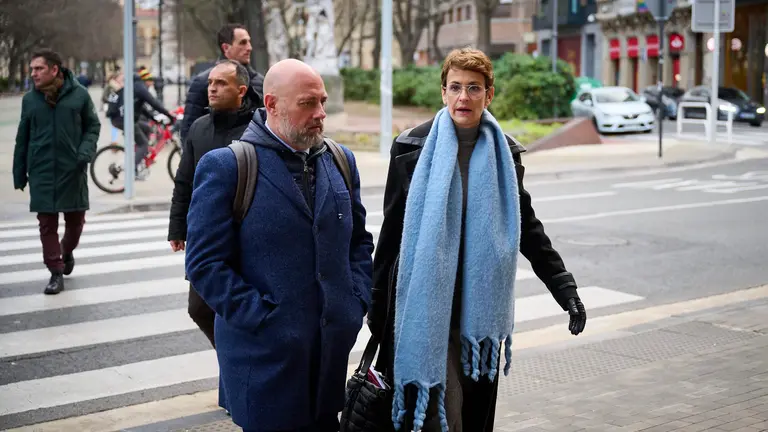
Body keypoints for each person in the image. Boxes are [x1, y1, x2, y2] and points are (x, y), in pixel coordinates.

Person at [368, 48, 589, 432]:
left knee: (468, 417)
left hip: (477, 314)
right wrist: (375, 304)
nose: (463, 98)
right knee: (435, 415)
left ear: (489, 95)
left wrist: (564, 289)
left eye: (473, 88)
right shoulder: (410, 149)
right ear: (443, 92)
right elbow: (391, 235)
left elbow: (528, 230)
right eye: (455, 87)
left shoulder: (506, 154)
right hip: (423, 310)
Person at [184, 58, 374, 432]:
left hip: (329, 360)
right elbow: (204, 264)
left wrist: (355, 301)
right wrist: (263, 319)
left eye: (322, 101)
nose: (320, 113)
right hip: (264, 363)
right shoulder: (227, 166)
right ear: (272, 104)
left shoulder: (340, 160)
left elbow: (358, 241)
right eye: (308, 103)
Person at [167, 59, 258, 348]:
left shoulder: (258, 128)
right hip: (205, 234)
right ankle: (235, 359)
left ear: (241, 90)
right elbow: (185, 181)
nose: (213, 89)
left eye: (221, 83)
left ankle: (244, 363)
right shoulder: (199, 127)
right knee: (199, 308)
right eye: (210, 83)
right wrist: (177, 227)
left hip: (245, 232)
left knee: (239, 306)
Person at [12, 49, 101, 294]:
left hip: (72, 169)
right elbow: (23, 137)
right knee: (46, 225)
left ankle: (66, 251)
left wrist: (84, 153)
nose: (33, 74)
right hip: (40, 170)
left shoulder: (80, 96)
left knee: (76, 223)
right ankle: (55, 272)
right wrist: (19, 171)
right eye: (32, 69)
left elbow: (93, 126)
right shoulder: (30, 100)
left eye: (38, 69)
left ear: (54, 70)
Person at [181, 23, 265, 142]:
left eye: (249, 42)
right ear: (226, 47)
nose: (249, 47)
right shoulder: (202, 82)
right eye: (243, 42)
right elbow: (188, 130)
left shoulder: (260, 82)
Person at [106, 68, 174, 179]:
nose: (151, 83)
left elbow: (141, 107)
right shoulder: (140, 87)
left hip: (123, 119)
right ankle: (134, 171)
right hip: (124, 120)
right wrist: (170, 115)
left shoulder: (134, 87)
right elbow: (153, 103)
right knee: (144, 144)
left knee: (147, 128)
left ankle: (140, 155)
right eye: (150, 80)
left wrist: (153, 119)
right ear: (145, 80)